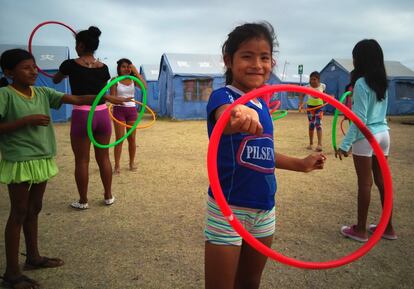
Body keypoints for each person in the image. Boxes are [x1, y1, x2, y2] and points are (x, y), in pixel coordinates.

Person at [204, 22, 326, 289]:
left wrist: (301, 164)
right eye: (247, 56)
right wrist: (236, 114)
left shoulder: (262, 104)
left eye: (264, 57)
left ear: (272, 61)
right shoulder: (222, 96)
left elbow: (263, 154)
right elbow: (225, 116)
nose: (257, 64)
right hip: (228, 209)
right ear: (228, 60)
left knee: (250, 281)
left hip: (264, 208)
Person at [0, 49, 128, 289]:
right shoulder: (5, 95)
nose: (33, 71)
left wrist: (106, 97)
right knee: (18, 212)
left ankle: (33, 258)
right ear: (8, 73)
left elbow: (78, 100)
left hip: (42, 158)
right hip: (19, 160)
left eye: (34, 66)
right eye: (26, 68)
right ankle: (11, 273)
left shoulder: (42, 92)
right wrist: (25, 122)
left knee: (34, 208)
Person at [336, 39, 397, 242]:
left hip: (367, 137)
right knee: (381, 181)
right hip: (383, 135)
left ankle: (360, 230)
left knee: (365, 183)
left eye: (355, 55)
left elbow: (360, 120)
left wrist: (345, 145)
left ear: (360, 59)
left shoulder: (361, 84)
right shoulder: (382, 83)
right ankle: (388, 228)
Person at [53, 26, 115, 209]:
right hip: (102, 113)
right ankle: (108, 196)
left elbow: (56, 80)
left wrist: (62, 72)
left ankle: (83, 200)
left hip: (82, 113)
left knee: (82, 160)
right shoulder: (103, 68)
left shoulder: (69, 65)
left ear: (80, 45)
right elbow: (101, 89)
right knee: (104, 157)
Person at [110, 58, 147, 174]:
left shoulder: (134, 80)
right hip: (119, 110)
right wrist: (122, 100)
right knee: (119, 139)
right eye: (124, 67)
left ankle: (131, 163)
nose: (126, 69)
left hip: (131, 111)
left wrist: (136, 72)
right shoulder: (115, 80)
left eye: (128, 67)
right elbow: (112, 98)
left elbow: (144, 87)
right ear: (119, 68)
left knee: (131, 139)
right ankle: (117, 166)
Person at [298, 71, 326, 152]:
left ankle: (319, 145)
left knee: (318, 124)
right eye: (311, 79)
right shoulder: (307, 87)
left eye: (314, 79)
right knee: (311, 125)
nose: (312, 81)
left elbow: (324, 95)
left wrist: (328, 99)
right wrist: (300, 103)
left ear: (318, 80)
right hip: (310, 108)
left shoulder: (322, 86)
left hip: (319, 108)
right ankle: (310, 144)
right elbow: (301, 94)